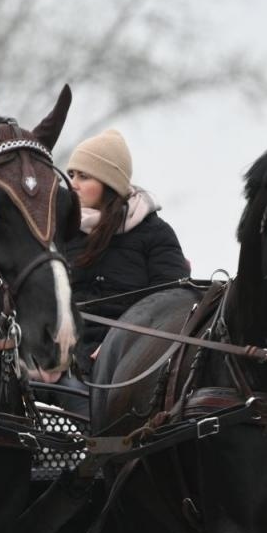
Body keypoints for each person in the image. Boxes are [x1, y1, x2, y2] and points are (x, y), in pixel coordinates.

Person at [62, 128, 191, 376]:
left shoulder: (155, 234)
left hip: (130, 366)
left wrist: (119, 345)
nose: (73, 185)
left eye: (84, 176)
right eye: (71, 174)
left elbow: (172, 306)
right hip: (61, 365)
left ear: (109, 183)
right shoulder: (58, 229)